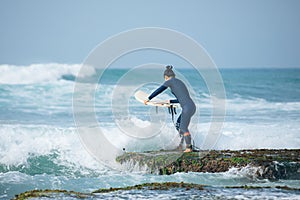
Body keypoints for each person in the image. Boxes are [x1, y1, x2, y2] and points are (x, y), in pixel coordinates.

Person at [144, 65, 196, 153]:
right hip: (191, 106)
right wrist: (169, 101)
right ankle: (181, 145)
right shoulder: (179, 82)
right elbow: (183, 98)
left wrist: (149, 98)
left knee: (183, 127)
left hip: (187, 108)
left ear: (166, 77)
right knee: (178, 124)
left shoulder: (169, 81)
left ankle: (188, 147)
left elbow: (159, 90)